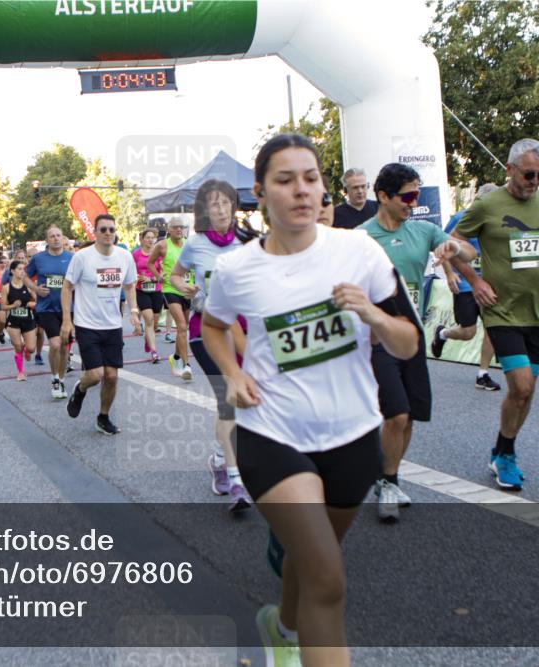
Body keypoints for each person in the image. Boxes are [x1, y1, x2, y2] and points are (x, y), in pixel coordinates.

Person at [202, 134, 418, 666]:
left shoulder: (357, 251)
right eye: (284, 180)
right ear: (260, 193)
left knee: (312, 557)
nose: (301, 190)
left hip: (352, 435)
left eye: (310, 178)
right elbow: (212, 326)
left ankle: (282, 627)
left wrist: (372, 314)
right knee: (327, 576)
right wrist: (231, 372)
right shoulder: (237, 269)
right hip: (271, 432)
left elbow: (408, 343)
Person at [449, 138, 539, 490]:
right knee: (521, 385)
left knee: (526, 393)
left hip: (537, 312)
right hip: (501, 311)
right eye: (529, 174)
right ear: (510, 169)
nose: (535, 181)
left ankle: (502, 449)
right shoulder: (487, 204)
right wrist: (475, 281)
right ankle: (507, 456)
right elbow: (454, 246)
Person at [358, 163, 476, 521]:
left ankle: (385, 477)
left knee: (408, 418)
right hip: (376, 340)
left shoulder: (423, 230)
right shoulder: (361, 238)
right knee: (397, 413)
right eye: (407, 195)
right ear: (383, 196)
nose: (413, 202)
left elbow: (469, 253)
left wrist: (452, 248)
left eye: (417, 195)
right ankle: (388, 481)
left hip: (412, 339)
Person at [172, 179, 253, 513]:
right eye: (214, 205)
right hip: (206, 329)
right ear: (204, 211)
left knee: (244, 403)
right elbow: (176, 275)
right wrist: (185, 287)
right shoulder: (196, 243)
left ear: (233, 206)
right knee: (228, 399)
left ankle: (220, 459)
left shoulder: (249, 240)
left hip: (245, 329)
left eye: (225, 203)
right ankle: (236, 481)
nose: (220, 210)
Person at [62, 214, 140, 435]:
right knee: (96, 375)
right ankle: (80, 387)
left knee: (112, 376)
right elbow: (67, 287)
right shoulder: (82, 257)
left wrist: (133, 311)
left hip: (112, 325)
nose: (108, 233)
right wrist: (67, 321)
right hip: (87, 324)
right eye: (103, 229)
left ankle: (103, 417)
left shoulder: (124, 257)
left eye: (111, 230)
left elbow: (130, 286)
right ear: (94, 233)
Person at [431, 184, 502, 391]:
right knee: (468, 332)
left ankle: (483, 373)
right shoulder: (460, 218)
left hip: (489, 283)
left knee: (492, 327)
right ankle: (442, 334)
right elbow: (442, 246)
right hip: (465, 284)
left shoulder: (497, 221)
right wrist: (450, 273)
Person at [25, 226, 74, 399]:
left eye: (58, 235)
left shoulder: (71, 258)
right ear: (47, 240)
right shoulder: (38, 259)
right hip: (46, 308)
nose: (55, 239)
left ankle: (61, 378)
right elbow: (23, 276)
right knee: (54, 344)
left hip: (68, 308)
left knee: (64, 346)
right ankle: (54, 378)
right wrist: (35, 288)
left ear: (63, 238)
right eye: (52, 236)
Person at [148, 218, 194, 381]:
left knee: (184, 329)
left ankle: (174, 357)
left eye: (181, 227)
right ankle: (186, 364)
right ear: (169, 229)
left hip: (187, 289)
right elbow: (150, 263)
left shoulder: (189, 245)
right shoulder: (162, 245)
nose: (179, 230)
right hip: (170, 289)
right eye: (176, 227)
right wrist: (158, 276)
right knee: (181, 325)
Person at [1, 259, 37, 381]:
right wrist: (12, 306)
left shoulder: (29, 286)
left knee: (31, 348)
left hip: (27, 319)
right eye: (20, 269)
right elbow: (2, 306)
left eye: (24, 270)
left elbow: (37, 301)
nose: (22, 272)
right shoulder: (6, 288)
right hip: (13, 321)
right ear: (12, 271)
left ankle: (27, 350)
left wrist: (32, 304)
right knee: (17, 346)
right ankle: (20, 372)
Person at [132, 227, 163, 364]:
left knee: (155, 322)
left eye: (153, 238)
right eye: (148, 237)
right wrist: (138, 277)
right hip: (141, 290)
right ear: (142, 239)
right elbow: (130, 272)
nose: (151, 240)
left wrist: (152, 279)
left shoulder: (158, 254)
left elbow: (164, 274)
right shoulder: (136, 254)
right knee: (148, 319)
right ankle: (154, 352)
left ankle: (148, 338)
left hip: (156, 289)